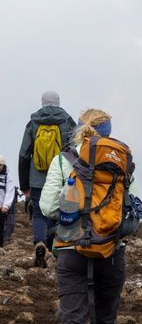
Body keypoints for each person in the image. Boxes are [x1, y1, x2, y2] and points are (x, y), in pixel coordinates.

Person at [40, 108, 135, 324]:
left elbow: (46, 205)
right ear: (108, 130)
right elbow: (129, 209)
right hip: (110, 250)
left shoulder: (63, 159)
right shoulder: (121, 161)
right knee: (105, 323)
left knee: (73, 320)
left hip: (70, 250)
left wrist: (73, 215)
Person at [19, 91, 76, 267]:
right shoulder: (67, 121)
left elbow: (24, 154)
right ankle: (51, 249)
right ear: (58, 102)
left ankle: (39, 242)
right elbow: (74, 150)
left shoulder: (33, 122)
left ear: (42, 102)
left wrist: (24, 185)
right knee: (55, 212)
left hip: (36, 179)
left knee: (38, 213)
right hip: (60, 177)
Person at [0, 155, 18, 247]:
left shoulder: (7, 175)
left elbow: (10, 190)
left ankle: (1, 246)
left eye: (0, 165)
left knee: (1, 226)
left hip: (2, 207)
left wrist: (6, 205)